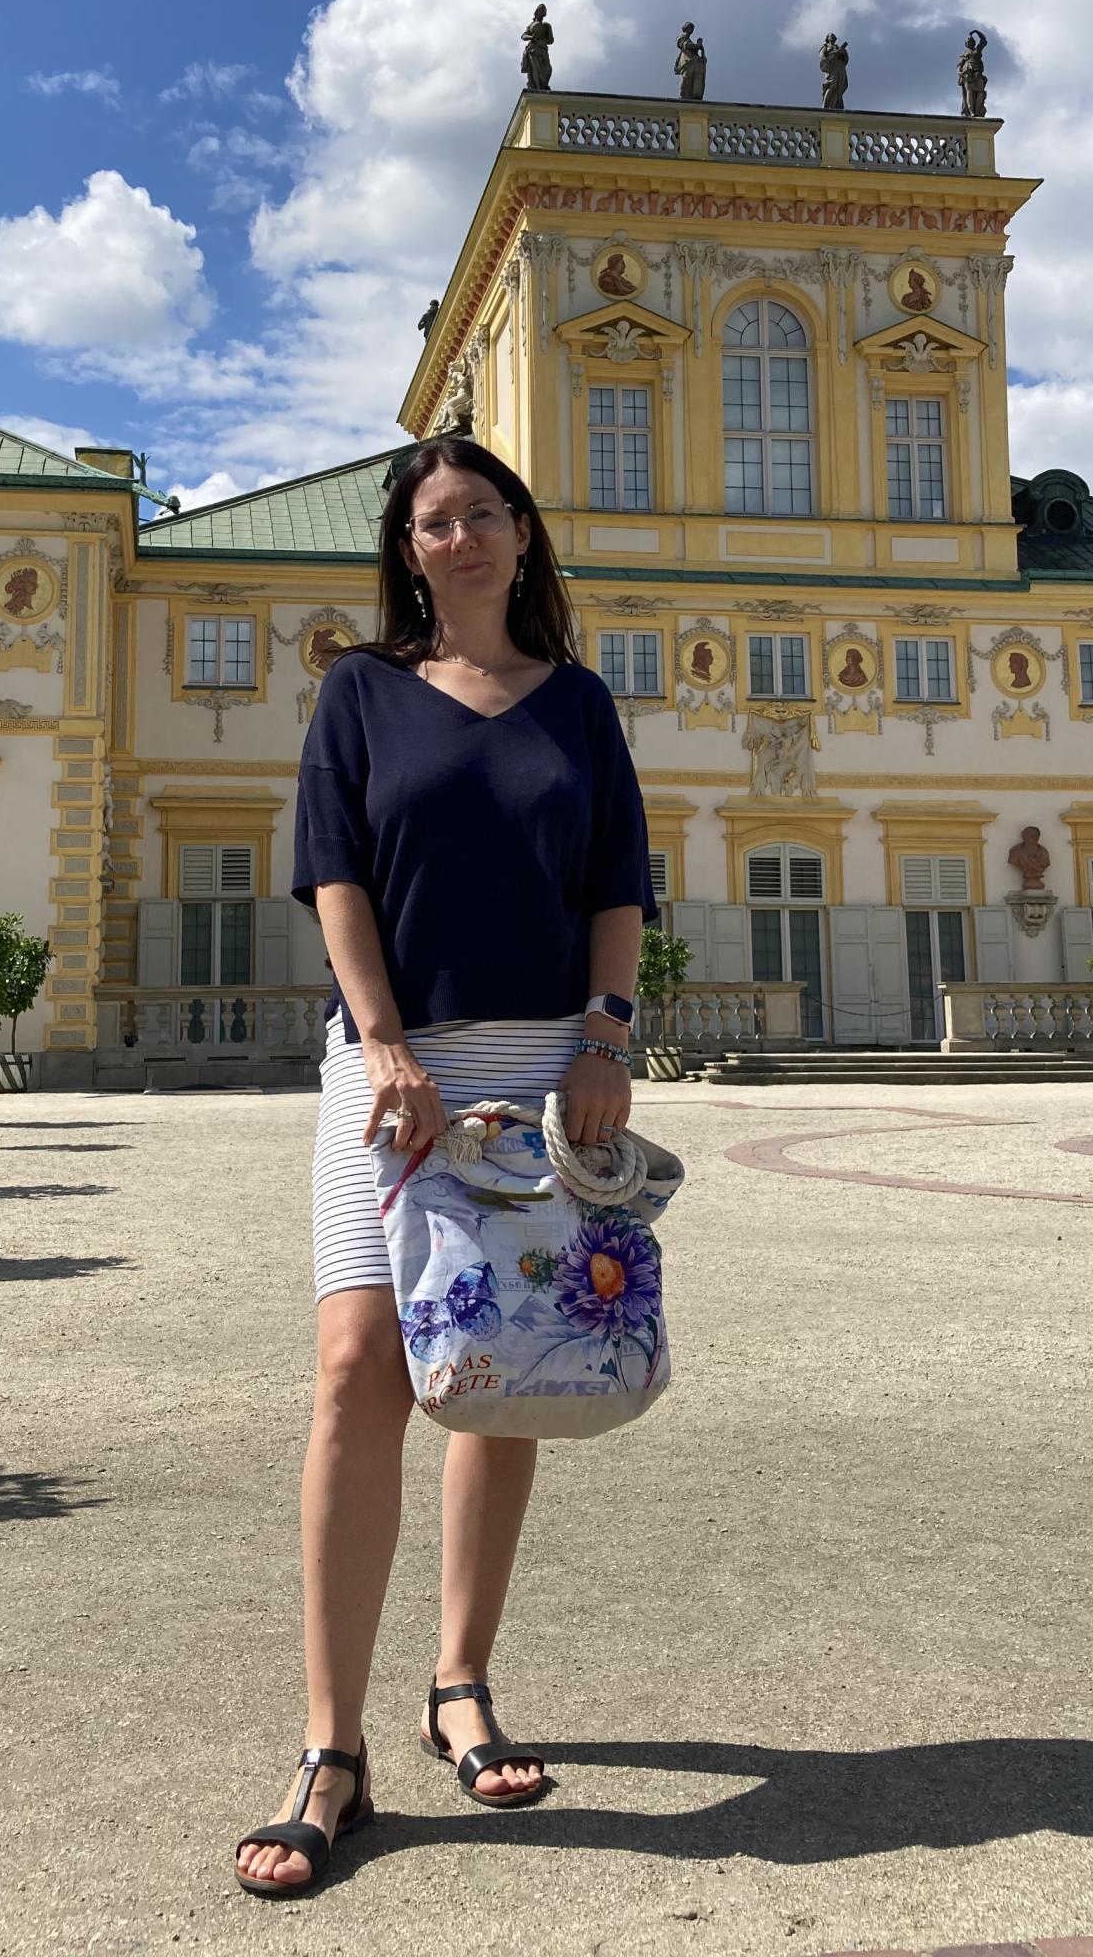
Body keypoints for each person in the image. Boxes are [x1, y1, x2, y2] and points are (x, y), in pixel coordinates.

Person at [233, 434, 657, 1898]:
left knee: (505, 1368)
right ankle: (329, 1746)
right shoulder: (362, 692)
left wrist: (606, 1039)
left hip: (542, 1070)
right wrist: (384, 1039)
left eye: (485, 514)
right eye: (435, 520)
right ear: (406, 549)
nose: (462, 536)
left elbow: (617, 890)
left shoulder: (581, 707)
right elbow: (333, 871)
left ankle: (460, 1680)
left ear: (524, 539)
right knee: (359, 1368)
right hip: (393, 1063)